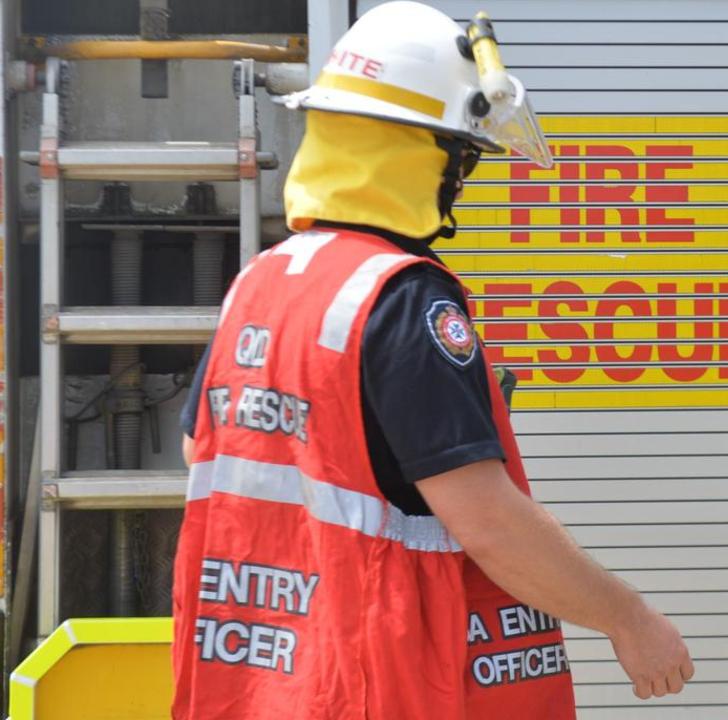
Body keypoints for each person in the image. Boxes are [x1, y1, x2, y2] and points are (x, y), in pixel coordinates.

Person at [171, 4, 693, 718]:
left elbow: (202, 449)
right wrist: (629, 619)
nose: (464, 179)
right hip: (385, 683)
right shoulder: (401, 299)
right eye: (462, 156)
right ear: (423, 157)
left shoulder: (259, 284)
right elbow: (487, 522)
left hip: (271, 684)